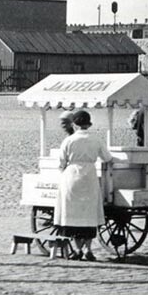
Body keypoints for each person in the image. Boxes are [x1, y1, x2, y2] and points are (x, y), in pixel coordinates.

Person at [54, 109, 112, 261]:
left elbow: (61, 162)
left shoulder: (69, 140)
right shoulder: (96, 139)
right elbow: (107, 157)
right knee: (88, 214)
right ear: (89, 124)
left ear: (74, 124)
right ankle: (88, 249)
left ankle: (77, 249)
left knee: (72, 213)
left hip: (71, 176)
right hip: (89, 177)